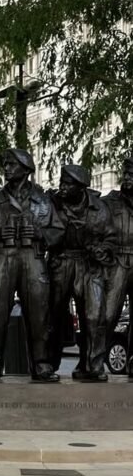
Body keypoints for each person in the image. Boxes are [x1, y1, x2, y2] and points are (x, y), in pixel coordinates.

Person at [0, 148, 64, 382]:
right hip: (2, 258)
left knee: (39, 313)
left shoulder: (42, 200)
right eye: (5, 164)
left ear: (25, 169)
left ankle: (41, 365)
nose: (6, 169)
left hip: (33, 257)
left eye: (11, 165)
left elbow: (58, 230)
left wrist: (40, 234)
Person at [49, 164, 115, 380]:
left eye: (67, 184)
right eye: (61, 182)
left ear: (80, 187)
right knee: (53, 315)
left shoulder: (99, 208)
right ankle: (47, 364)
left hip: (89, 265)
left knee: (94, 316)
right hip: (61, 262)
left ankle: (92, 365)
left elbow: (111, 238)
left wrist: (102, 250)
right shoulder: (52, 203)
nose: (62, 187)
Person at [103, 157, 133, 379]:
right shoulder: (110, 202)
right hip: (118, 261)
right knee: (108, 314)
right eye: (126, 173)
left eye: (132, 174)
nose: (127, 177)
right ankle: (93, 361)